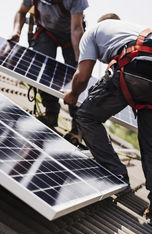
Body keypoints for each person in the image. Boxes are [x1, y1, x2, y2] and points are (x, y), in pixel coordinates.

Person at [63, 13, 152, 220]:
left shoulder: (92, 32)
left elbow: (83, 75)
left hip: (133, 66)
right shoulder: (133, 27)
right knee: (149, 144)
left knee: (86, 117)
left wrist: (73, 94)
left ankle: (116, 172)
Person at [10, 0, 89, 139]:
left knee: (75, 76)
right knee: (41, 67)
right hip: (46, 32)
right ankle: (51, 113)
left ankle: (77, 128)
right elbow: (21, 12)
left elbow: (76, 28)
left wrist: (79, 60)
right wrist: (16, 31)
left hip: (71, 32)